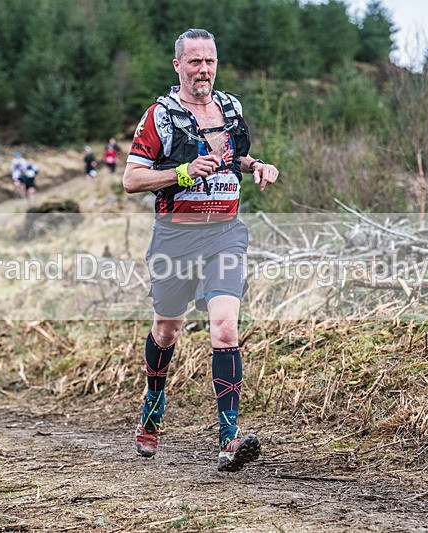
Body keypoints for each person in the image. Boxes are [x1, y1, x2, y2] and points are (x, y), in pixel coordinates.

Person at [123, 28, 279, 472]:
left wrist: (259, 166)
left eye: (209, 61)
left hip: (225, 234)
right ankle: (153, 406)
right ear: (178, 66)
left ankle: (229, 439)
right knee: (168, 329)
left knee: (225, 329)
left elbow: (237, 160)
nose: (203, 70)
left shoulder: (231, 108)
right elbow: (132, 180)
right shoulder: (160, 115)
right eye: (194, 62)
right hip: (175, 237)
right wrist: (183, 172)